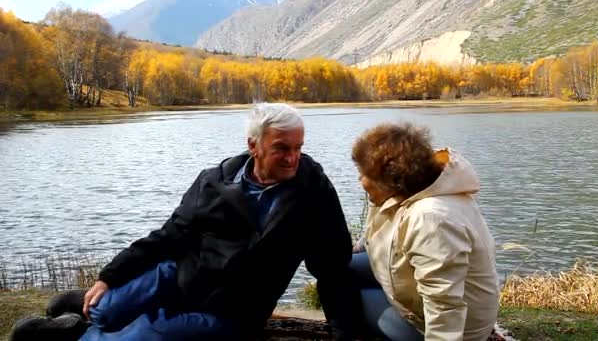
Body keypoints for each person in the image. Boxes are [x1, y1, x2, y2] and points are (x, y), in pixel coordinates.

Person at [10, 103, 357, 341]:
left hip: (232, 311)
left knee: (148, 333)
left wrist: (345, 333)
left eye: (298, 147)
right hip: (182, 275)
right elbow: (171, 234)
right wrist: (109, 275)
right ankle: (88, 313)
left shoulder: (313, 193)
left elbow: (332, 266)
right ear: (254, 145)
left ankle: (77, 333)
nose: (293, 157)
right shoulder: (215, 179)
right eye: (282, 147)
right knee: (107, 308)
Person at [349, 122, 500, 341]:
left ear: (390, 179)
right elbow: (378, 229)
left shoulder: (431, 218)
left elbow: (444, 303)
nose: (359, 180)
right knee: (337, 267)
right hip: (428, 303)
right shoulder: (411, 190)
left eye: (363, 173)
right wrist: (357, 248)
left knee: (348, 296)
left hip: (459, 331)